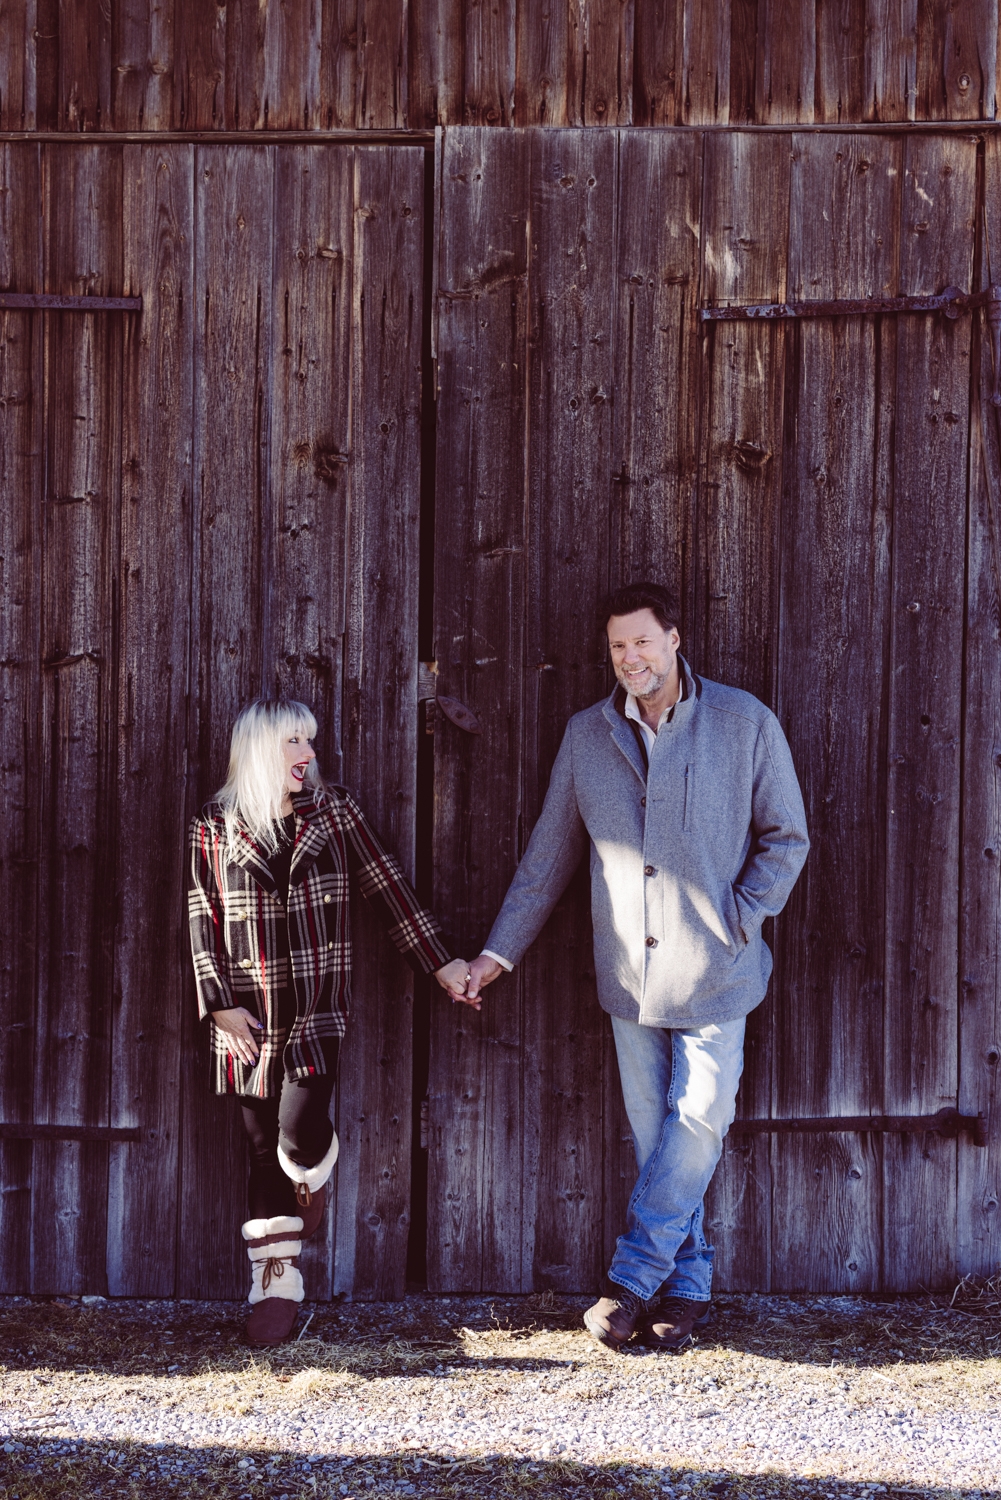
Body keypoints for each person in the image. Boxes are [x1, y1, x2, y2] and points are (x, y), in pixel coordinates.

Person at [464, 582, 809, 1352]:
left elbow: (786, 838)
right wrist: (496, 953)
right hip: (628, 976)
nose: (629, 658)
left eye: (642, 642)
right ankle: (681, 1292)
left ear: (674, 639)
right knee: (656, 1137)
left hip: (717, 971)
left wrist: (741, 915)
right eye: (618, 646)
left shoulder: (742, 721)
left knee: (698, 1123)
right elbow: (548, 855)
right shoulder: (589, 735)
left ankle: (628, 1280)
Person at [188, 698, 470, 1346]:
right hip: (243, 1018)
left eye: (308, 741)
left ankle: (309, 1177)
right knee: (261, 1150)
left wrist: (442, 965)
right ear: (261, 748)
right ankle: (275, 1285)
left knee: (296, 1132)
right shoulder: (214, 823)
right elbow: (200, 916)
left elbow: (388, 888)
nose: (307, 754)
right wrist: (217, 1001)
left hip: (315, 1010)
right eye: (293, 741)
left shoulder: (335, 811)